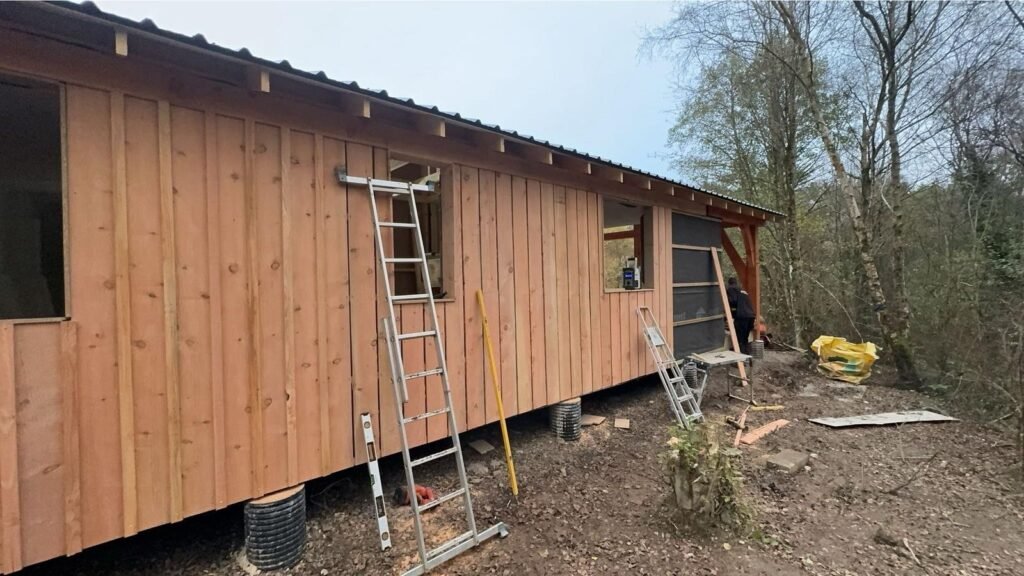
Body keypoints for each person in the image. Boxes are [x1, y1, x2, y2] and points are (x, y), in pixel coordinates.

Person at [726, 277, 755, 355]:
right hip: (751, 316)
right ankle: (748, 356)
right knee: (745, 338)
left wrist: (729, 308)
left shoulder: (731, 289)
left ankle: (740, 358)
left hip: (742, 317)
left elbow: (733, 301)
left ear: (729, 283)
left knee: (739, 338)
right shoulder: (742, 291)